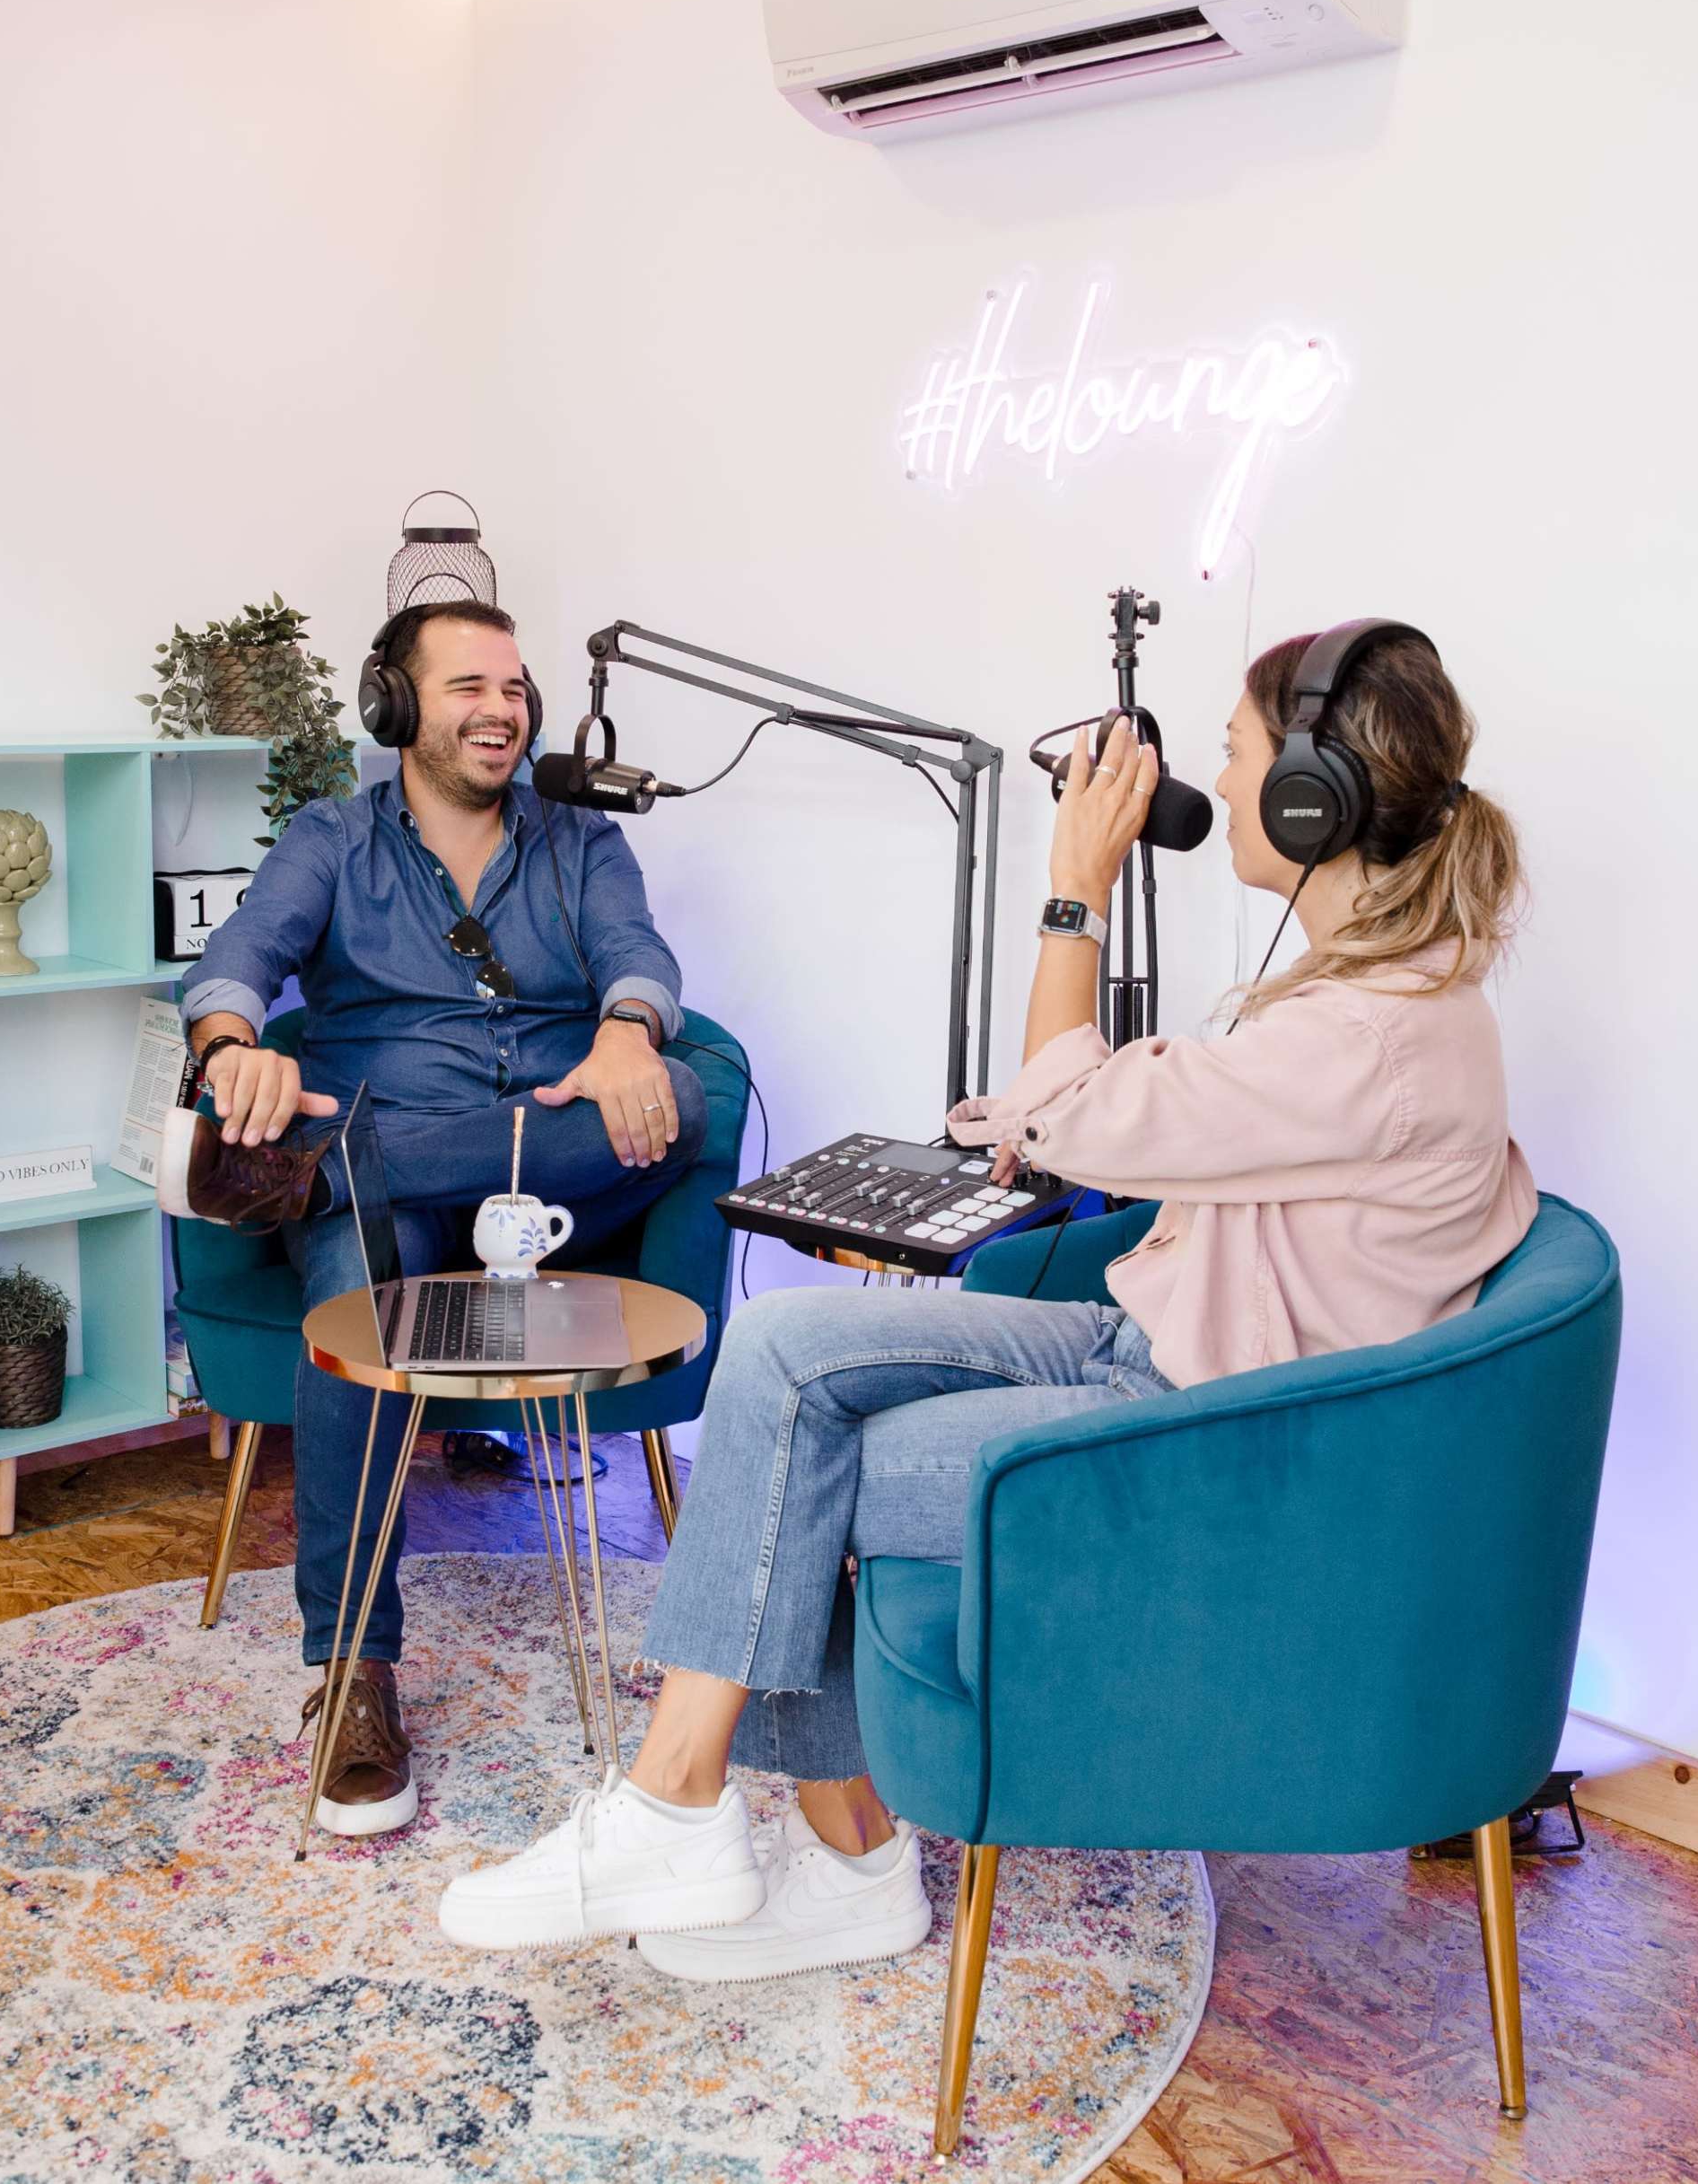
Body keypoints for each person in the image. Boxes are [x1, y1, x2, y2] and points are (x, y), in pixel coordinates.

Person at [436, 619, 1538, 1975]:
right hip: (1161, 1345)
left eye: (1236, 759)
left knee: (812, 1463)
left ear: (1319, 799)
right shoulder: (1377, 996)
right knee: (780, 1346)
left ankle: (710, 1815)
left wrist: (1073, 887)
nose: (1218, 785)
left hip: (1212, 1441)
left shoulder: (1366, 1033)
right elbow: (1173, 1127)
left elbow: (1082, 1103)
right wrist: (1063, 1118)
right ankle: (808, 1853)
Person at [182, 598, 706, 1838]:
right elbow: (239, 960)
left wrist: (630, 1033)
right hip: (401, 1169)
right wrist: (230, 1044)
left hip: (546, 1158)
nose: (505, 710)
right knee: (356, 1297)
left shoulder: (581, 841)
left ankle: (327, 1166)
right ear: (397, 705)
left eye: (516, 688)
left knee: (678, 1090)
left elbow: (643, 957)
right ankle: (353, 1672)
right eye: (471, 685)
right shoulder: (333, 839)